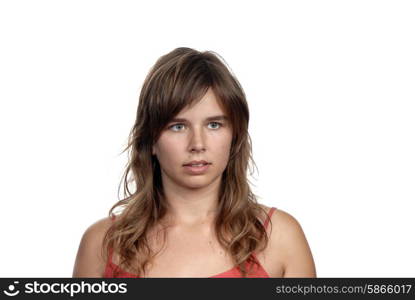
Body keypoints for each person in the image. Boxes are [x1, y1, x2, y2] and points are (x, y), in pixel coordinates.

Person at [72, 47, 316, 278]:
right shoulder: (101, 245)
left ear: (235, 135)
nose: (197, 143)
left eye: (214, 124)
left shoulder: (280, 238)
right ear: (152, 140)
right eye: (178, 126)